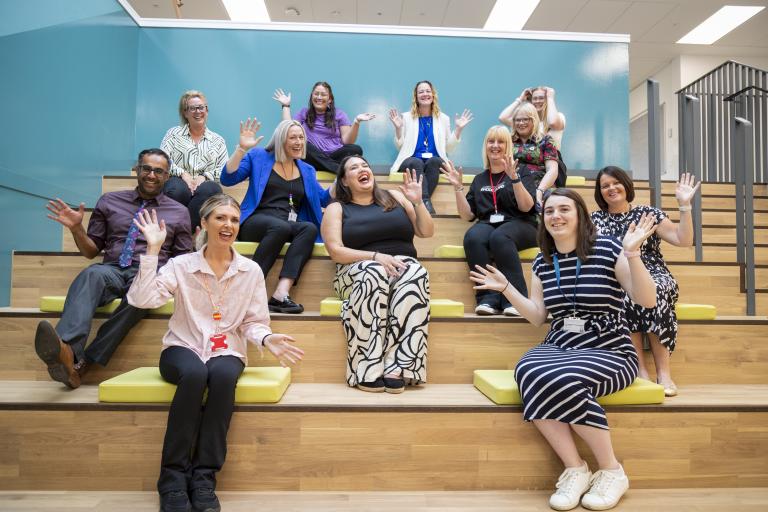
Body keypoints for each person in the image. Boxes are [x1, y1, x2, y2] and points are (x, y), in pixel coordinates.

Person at [470, 188, 657, 511]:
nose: (556, 216)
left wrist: (633, 255)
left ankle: (612, 470)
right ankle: (575, 469)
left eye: (564, 209)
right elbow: (538, 316)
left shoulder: (610, 248)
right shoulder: (543, 262)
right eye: (550, 211)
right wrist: (507, 289)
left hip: (609, 346)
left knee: (564, 379)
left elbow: (647, 300)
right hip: (560, 342)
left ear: (580, 215)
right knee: (528, 370)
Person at [127, 194, 304, 512]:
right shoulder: (181, 265)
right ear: (204, 224)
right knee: (195, 374)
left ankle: (204, 479)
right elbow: (142, 300)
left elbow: (254, 323)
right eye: (220, 218)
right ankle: (172, 480)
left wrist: (266, 339)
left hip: (227, 351)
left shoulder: (250, 271)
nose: (228, 225)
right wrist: (153, 250)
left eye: (234, 220)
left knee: (222, 376)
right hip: (182, 348)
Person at [35, 149, 192, 389]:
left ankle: (82, 364)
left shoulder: (179, 212)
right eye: (147, 169)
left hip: (150, 272)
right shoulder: (109, 201)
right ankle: (65, 349)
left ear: (167, 176)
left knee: (139, 298)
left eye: (158, 171)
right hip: (113, 270)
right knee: (91, 274)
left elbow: (182, 260)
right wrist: (77, 229)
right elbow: (90, 251)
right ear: (138, 171)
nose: (151, 175)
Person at [321, 155, 433, 393]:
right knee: (374, 272)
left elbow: (426, 231)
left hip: (400, 268)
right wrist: (374, 257)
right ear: (344, 180)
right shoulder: (336, 208)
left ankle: (397, 365)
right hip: (355, 271)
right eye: (354, 167)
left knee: (416, 272)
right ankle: (367, 367)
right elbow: (335, 251)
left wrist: (419, 202)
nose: (362, 169)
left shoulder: (395, 197)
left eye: (365, 165)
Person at [591, 166, 700, 397]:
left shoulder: (648, 214)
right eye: (605, 186)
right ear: (599, 192)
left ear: (626, 185)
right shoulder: (594, 220)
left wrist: (685, 206)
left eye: (615, 182)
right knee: (623, 293)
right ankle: (640, 370)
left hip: (653, 271)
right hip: (617, 273)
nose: (611, 188)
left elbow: (684, 240)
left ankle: (664, 372)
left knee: (655, 290)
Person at [220, 119, 332, 314]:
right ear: (281, 140)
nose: (299, 142)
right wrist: (241, 150)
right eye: (293, 138)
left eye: (301, 137)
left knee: (309, 228)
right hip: (257, 220)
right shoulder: (259, 157)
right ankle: (246, 289)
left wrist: (343, 181)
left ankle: (281, 294)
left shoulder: (307, 170)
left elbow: (323, 199)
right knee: (280, 227)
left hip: (287, 224)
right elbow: (228, 179)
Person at [440, 125, 537, 316]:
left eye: (500, 141)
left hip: (522, 223)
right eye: (491, 141)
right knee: (473, 238)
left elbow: (526, 207)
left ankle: (514, 299)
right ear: (485, 146)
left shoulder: (521, 171)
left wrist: (515, 179)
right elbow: (468, 216)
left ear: (507, 146)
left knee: (500, 237)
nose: (495, 145)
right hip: (488, 224)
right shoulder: (479, 179)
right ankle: (488, 298)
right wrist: (458, 188)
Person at [388, 80, 473, 214]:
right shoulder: (406, 117)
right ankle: (425, 201)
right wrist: (398, 129)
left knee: (435, 161)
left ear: (433, 95)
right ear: (416, 97)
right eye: (421, 92)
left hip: (432, 161)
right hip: (411, 160)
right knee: (416, 162)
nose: (425, 94)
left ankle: (420, 202)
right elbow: (400, 147)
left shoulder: (443, 118)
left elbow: (448, 149)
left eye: (428, 91)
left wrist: (458, 130)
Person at [161, 90, 238, 229]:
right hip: (177, 182)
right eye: (193, 108)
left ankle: (185, 234)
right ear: (185, 113)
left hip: (205, 186)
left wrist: (204, 176)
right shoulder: (173, 134)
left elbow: (223, 169)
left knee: (211, 189)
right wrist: (183, 174)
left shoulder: (218, 140)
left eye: (201, 107)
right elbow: (163, 160)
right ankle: (174, 235)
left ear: (206, 111)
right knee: (177, 189)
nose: (198, 111)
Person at [273, 82, 375, 174]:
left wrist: (356, 122)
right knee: (303, 145)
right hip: (311, 155)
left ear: (330, 99)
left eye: (323, 94)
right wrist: (285, 106)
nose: (319, 97)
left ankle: (324, 165)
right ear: (312, 96)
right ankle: (339, 169)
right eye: (316, 93)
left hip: (334, 156)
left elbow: (347, 141)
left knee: (356, 149)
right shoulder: (304, 113)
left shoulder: (340, 114)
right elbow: (288, 129)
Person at [508, 102, 560, 207]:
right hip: (512, 188)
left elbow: (552, 170)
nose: (521, 123)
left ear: (534, 120)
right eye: (517, 120)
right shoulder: (507, 140)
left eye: (525, 119)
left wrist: (540, 191)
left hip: (540, 187)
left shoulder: (546, 140)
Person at [500, 85, 566, 149]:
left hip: (551, 159)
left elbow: (552, 123)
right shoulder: (528, 122)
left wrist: (550, 98)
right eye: (535, 98)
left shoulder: (559, 117)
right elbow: (503, 118)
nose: (537, 101)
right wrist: (520, 99)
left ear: (547, 99)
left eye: (541, 98)